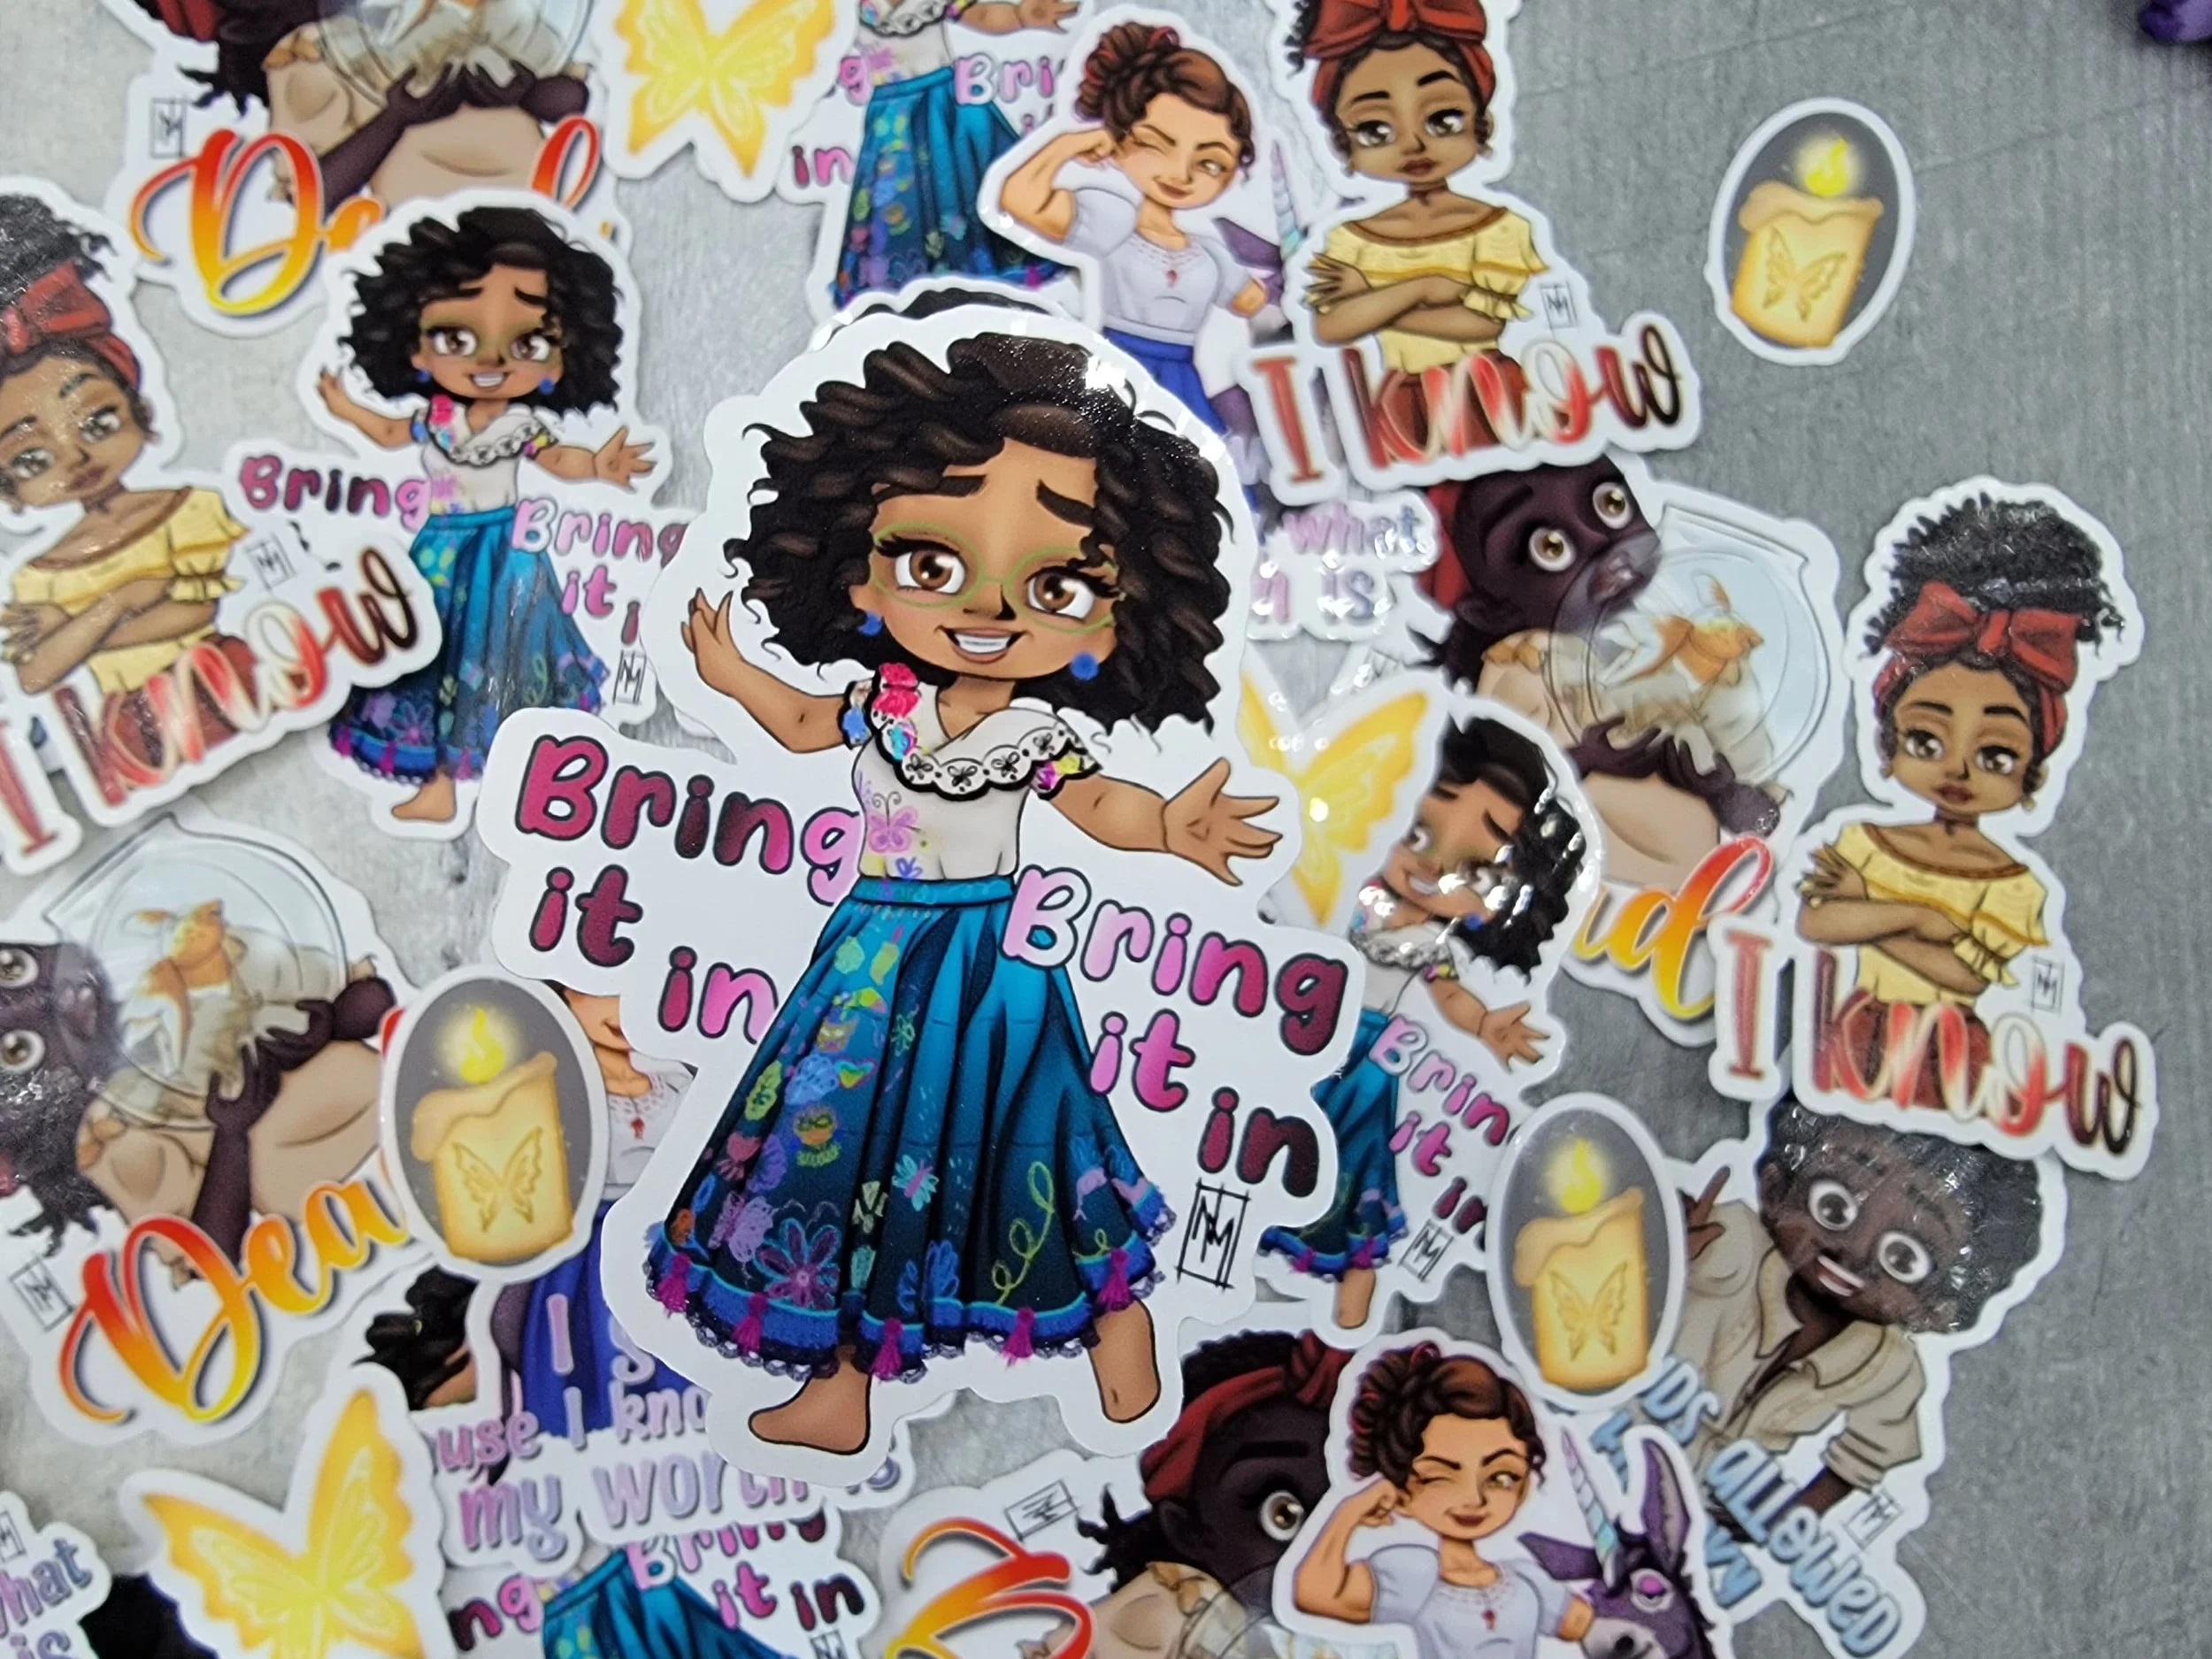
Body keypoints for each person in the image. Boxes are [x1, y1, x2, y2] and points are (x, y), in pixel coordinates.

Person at [647, 324, 1280, 1453]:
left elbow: (1097, 804)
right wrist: (732, 672)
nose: (990, 611)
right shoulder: (882, 702)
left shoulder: (1033, 733)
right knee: (840, 1153)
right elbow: (798, 722)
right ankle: (843, 1388)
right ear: (859, 569)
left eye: (1055, 584)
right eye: (931, 565)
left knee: (1033, 1146)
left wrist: (1169, 828)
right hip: (867, 959)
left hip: (988, 968)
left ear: (1111, 617)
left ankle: (1117, 1323)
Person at [317, 204, 652, 824]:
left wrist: (599, 465)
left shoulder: (520, 423)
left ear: (558, 359)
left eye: (526, 343)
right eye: (456, 338)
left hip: (503, 558)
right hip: (440, 555)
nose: (490, 362)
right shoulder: (435, 418)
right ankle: (438, 783)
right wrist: (344, 409)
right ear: (416, 349)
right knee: (429, 657)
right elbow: (387, 431)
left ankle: (517, 779)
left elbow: (558, 459)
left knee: (496, 660)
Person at [1796, 493, 2123, 1103]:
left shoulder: (2015, 884)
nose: (1958, 768)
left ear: (2032, 770)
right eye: (1925, 739)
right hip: (1852, 1040)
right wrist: (1925, 919)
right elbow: (1817, 920)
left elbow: (1969, 977)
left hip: (1950, 1057)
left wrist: (1873, 909)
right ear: (1889, 744)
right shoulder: (1865, 842)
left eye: (1995, 754)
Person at [1259, 717, 1584, 1329]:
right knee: (1259, 1146)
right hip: (1298, 1037)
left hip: (1364, 1067)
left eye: (1475, 871)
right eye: (1415, 831)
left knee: (1356, 1182)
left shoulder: (1430, 945)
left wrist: (1485, 1025)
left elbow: (1451, 995)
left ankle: (1350, 1319)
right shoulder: (1346, 891)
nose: (1431, 867)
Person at [1671, 1099, 2046, 1516]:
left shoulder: (1889, 1368)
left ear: (1940, 1307)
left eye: (1904, 1258)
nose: (1854, 1251)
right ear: (1777, 1190)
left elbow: (1870, 1451)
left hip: (1706, 1507)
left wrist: (1786, 1518)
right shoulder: (1730, 1239)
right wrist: (1669, 1244)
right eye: (1833, 1208)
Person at [0, 194, 252, 772]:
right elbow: (34, 672)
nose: (76, 458)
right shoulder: (38, 575)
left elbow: (195, 613)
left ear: (134, 403)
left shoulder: (189, 509)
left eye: (98, 421)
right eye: (32, 459)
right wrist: (125, 598)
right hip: (126, 734)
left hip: (220, 686)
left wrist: (74, 628)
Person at [997, 22, 1268, 432]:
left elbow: (1258, 304)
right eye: (1155, 145)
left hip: (1182, 378)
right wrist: (1068, 143)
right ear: (1120, 139)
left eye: (1210, 163)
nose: (1181, 174)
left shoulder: (1210, 252)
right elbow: (1019, 199)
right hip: (1116, 366)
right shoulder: (1113, 220)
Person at [1287, 0, 1545, 377]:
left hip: (1485, 389)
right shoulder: (1352, 239)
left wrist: (1375, 303)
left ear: (1482, 121)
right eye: (1376, 130)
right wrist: (1425, 287)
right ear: (1343, 144)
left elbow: (1484, 323)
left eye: (1443, 119)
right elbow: (1330, 327)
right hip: (1398, 397)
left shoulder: (1499, 227)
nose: (1413, 145)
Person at [130, 0, 590, 210]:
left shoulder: (475, 11)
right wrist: (396, 119)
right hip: (423, 244)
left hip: (552, 201)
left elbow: (573, 99)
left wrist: (522, 92)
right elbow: (310, 196)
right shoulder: (307, 62)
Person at [1293, 1341, 1594, 1659]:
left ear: (1523, 1486)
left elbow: (1589, 1624)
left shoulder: (1524, 1579)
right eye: (1438, 1477)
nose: (1474, 1499)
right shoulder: (1416, 1576)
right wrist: (1350, 1510)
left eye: (1501, 1477)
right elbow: (1317, 1594)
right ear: (1402, 1492)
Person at [827, 0, 1073, 307]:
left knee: (965, 181)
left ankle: (978, 269)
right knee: (901, 199)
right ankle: (907, 286)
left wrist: (1019, 17)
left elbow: (980, 14)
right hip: (894, 115)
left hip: (947, 102)